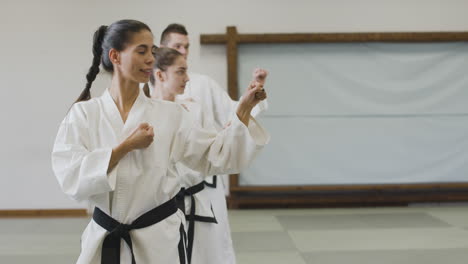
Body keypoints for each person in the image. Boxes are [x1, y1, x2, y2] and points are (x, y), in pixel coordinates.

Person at [51, 19, 269, 264]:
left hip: (158, 242)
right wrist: (124, 147)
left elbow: (215, 154)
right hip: (106, 238)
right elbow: (70, 176)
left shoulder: (170, 114)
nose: (149, 59)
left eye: (152, 51)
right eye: (141, 51)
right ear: (115, 56)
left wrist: (242, 112)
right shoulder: (84, 115)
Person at [157, 23, 268, 264]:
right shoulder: (146, 93)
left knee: (213, 250)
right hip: (166, 193)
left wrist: (248, 101)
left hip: (204, 183)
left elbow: (232, 115)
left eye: (186, 46)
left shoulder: (202, 84)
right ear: (162, 50)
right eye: (177, 46)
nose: (184, 51)